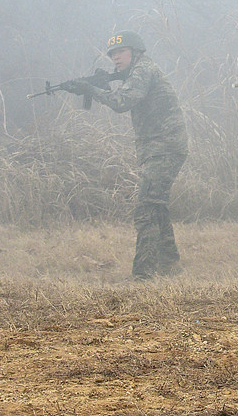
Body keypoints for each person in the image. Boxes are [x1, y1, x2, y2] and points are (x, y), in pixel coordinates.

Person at [61, 31, 188, 280]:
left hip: (164, 147)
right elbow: (124, 90)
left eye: (120, 52)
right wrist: (98, 83)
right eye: (112, 54)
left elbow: (122, 101)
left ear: (136, 52)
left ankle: (144, 274)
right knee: (156, 207)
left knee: (146, 209)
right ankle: (170, 266)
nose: (115, 58)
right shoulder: (137, 71)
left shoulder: (143, 70)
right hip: (161, 147)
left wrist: (91, 89)